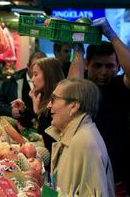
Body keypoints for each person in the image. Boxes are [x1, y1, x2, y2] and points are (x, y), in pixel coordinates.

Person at [69, 17, 130, 196]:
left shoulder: (120, 86)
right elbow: (71, 88)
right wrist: (78, 49)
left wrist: (112, 36)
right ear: (87, 65)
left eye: (109, 66)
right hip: (82, 174)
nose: (104, 72)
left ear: (118, 66)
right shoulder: (84, 88)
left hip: (117, 178)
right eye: (97, 65)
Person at [45, 78, 114, 196]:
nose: (48, 105)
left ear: (74, 106)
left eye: (54, 99)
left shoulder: (84, 141)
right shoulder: (77, 135)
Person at [13, 57, 65, 152]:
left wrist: (36, 110)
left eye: (36, 75)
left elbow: (47, 132)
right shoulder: (43, 96)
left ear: (48, 75)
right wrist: (24, 110)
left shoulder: (59, 101)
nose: (32, 79)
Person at [0, 51, 46, 129]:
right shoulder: (13, 81)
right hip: (19, 131)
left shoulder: (50, 84)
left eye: (42, 67)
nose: (37, 70)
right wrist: (10, 110)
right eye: (34, 66)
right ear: (28, 66)